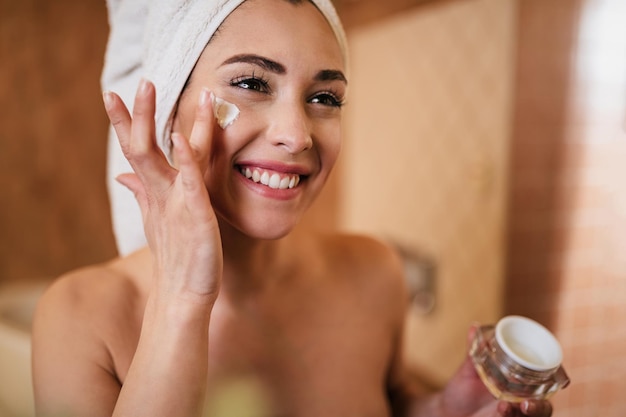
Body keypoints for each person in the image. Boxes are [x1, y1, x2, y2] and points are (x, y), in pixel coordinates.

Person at [32, 0, 554, 416]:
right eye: (253, 84)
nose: (297, 133)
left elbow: (387, 399)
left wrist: (440, 408)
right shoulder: (80, 319)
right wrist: (183, 298)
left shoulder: (374, 273)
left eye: (324, 97)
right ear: (169, 112)